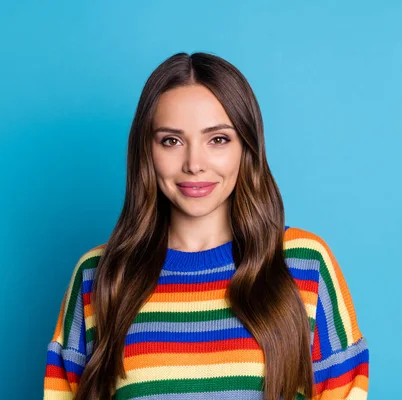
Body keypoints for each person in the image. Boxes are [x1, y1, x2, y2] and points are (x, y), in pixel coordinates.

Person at [43, 52, 369, 400]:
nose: (194, 164)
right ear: (146, 151)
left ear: (246, 147)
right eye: (171, 140)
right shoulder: (100, 274)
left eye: (218, 139)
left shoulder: (303, 263)